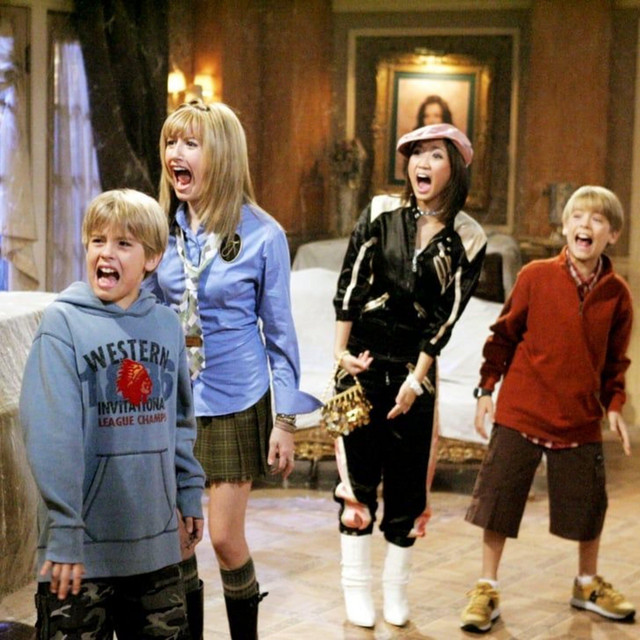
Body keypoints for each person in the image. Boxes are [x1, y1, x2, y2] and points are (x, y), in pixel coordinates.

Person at [149, 99, 320, 639]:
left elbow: (281, 336)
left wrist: (285, 420)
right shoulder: (160, 230)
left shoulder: (264, 235)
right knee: (179, 539)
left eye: (190, 143)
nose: (176, 154)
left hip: (234, 400)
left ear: (221, 156)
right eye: (171, 142)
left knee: (223, 538)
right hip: (174, 402)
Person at [20, 189, 205, 639]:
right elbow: (51, 437)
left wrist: (188, 491)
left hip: (156, 549)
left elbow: (180, 422)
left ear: (152, 258)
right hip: (81, 554)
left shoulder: (166, 326)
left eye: (123, 243)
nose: (106, 253)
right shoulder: (62, 325)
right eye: (97, 240)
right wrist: (65, 529)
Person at [332, 123, 487, 628]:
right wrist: (339, 352)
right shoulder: (381, 211)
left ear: (454, 169)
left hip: (414, 374)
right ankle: (357, 588)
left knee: (409, 483)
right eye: (416, 153)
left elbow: (446, 317)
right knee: (355, 479)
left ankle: (396, 589)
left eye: (435, 154)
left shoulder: (469, 236)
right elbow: (351, 282)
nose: (422, 162)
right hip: (359, 364)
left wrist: (416, 380)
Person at [460, 185, 636, 633]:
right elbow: (503, 336)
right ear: (565, 226)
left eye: (597, 220)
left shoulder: (618, 295)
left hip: (578, 415)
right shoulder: (536, 276)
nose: (585, 225)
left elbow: (615, 362)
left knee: (589, 505)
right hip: (522, 410)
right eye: (577, 216)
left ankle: (586, 583)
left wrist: (615, 405)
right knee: (498, 501)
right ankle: (486, 586)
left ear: (612, 235)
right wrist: (485, 389)